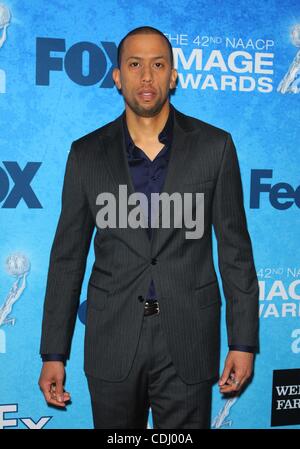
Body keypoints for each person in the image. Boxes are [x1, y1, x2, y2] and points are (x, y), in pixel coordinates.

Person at [38, 26, 259, 429]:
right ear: (118, 76)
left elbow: (235, 252)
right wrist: (54, 353)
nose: (146, 76)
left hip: (189, 336)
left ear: (173, 75)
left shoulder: (215, 147)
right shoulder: (86, 154)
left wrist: (242, 343)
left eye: (158, 65)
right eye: (134, 64)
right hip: (112, 337)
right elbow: (68, 258)